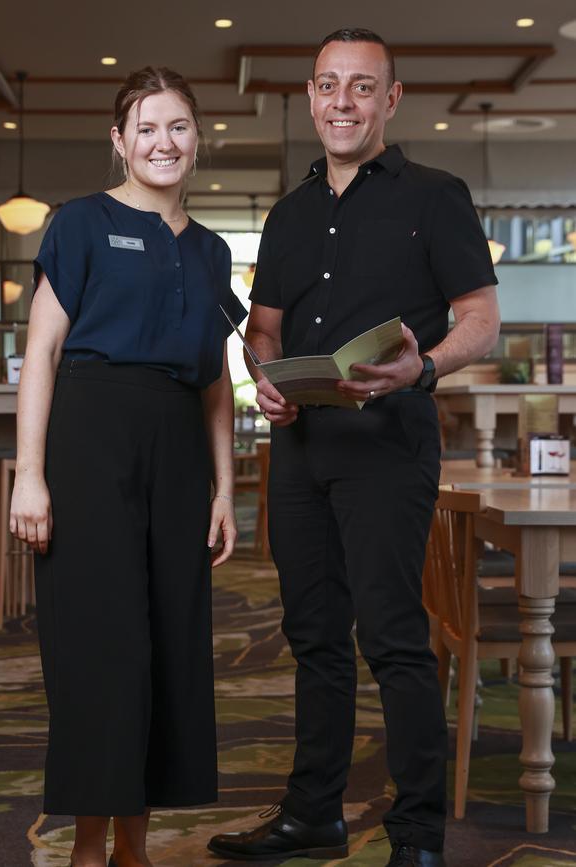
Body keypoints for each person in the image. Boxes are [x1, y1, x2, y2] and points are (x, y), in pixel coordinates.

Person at [208, 27, 500, 867]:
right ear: (310, 96)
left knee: (394, 637)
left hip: (389, 443)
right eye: (329, 85)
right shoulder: (288, 213)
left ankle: (416, 835)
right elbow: (262, 330)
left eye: (362, 87)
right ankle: (314, 813)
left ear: (391, 99)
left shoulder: (435, 196)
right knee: (313, 637)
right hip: (298, 450)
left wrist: (424, 367)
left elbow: (480, 317)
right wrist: (260, 377)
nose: (343, 102)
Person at [10, 66, 246, 867]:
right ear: (119, 141)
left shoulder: (212, 251)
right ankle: (85, 844)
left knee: (169, 645)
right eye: (146, 127)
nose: (163, 142)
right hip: (89, 439)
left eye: (178, 126)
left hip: (178, 445)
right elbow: (39, 353)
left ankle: (134, 847)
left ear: (197, 139)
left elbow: (217, 381)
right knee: (98, 646)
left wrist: (226, 487)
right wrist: (28, 472)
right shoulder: (78, 224)